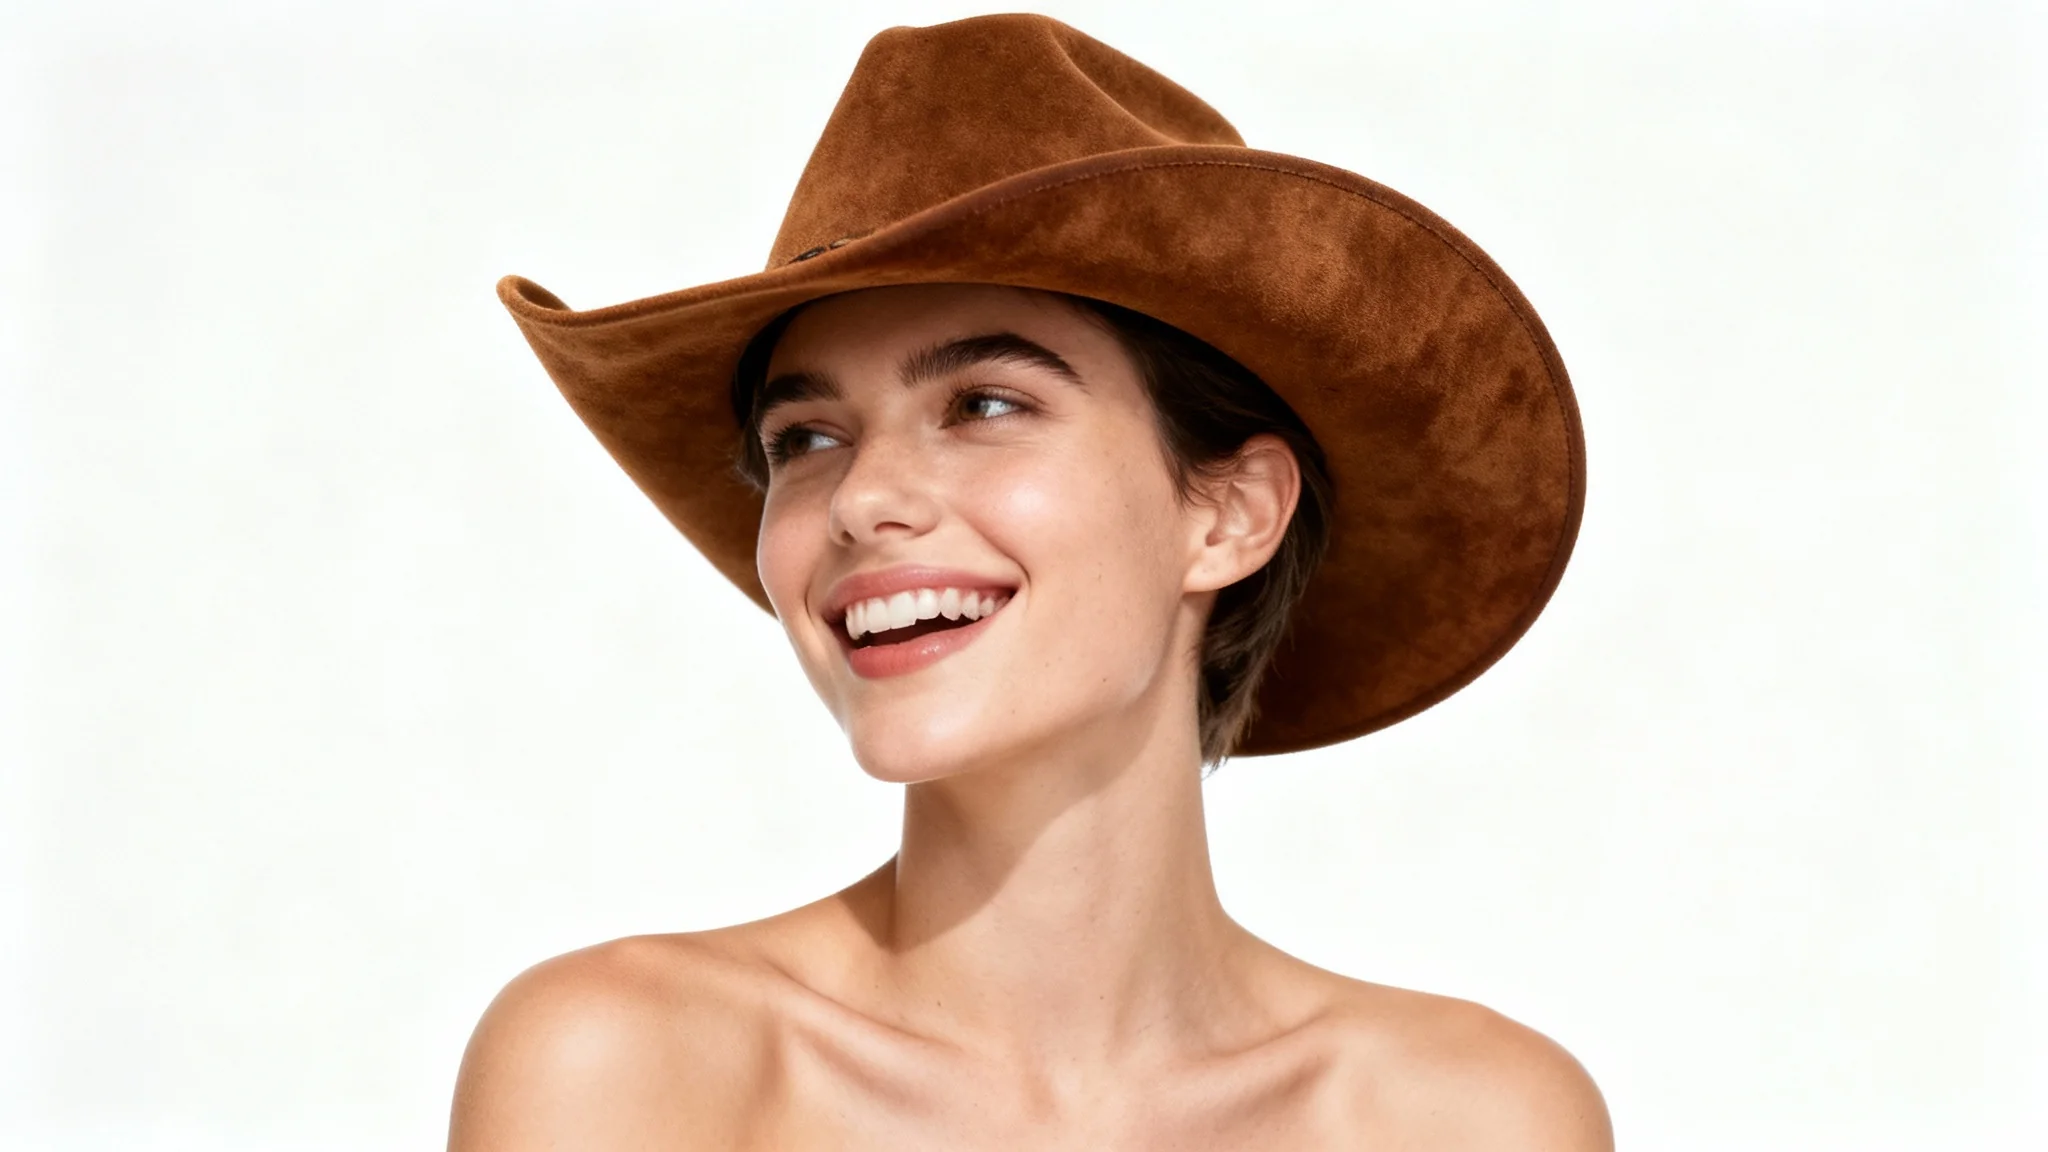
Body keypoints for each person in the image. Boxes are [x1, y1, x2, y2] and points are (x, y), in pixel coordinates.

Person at [451, 13, 1603, 1150]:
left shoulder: (1468, 1119)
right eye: (805, 438)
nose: (859, 499)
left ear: (1228, 513)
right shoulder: (627, 1071)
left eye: (983, 405)